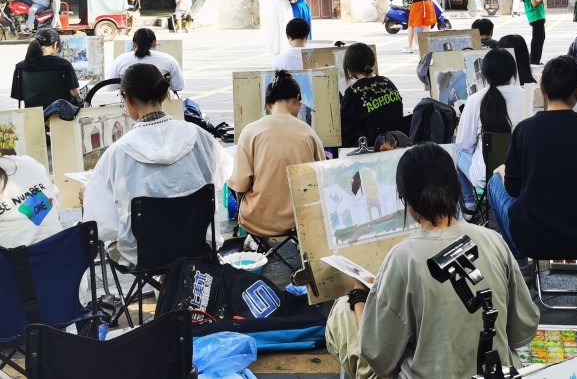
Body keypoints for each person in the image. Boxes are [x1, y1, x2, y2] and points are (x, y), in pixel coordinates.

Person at [325, 143, 539, 379]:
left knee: (343, 312)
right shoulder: (493, 240)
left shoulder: (402, 258)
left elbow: (378, 356)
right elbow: (524, 329)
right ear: (456, 188)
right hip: (496, 372)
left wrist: (358, 296)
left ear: (406, 200)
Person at [487, 56, 577, 285]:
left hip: (533, 239)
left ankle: (522, 265)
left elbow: (512, 188)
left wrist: (502, 171)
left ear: (542, 89)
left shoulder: (524, 131)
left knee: (493, 183)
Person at [83, 64, 231, 267]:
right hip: (198, 244)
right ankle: (174, 278)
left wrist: (87, 195)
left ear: (127, 99)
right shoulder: (198, 135)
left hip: (143, 255)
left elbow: (101, 224)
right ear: (163, 95)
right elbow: (222, 173)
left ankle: (166, 279)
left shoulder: (117, 152)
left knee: (114, 231)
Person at [228, 71, 325, 236]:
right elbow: (322, 178)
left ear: (268, 105)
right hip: (302, 220)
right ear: (297, 99)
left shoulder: (250, 132)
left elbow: (240, 183)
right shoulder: (308, 133)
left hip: (257, 220)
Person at [456, 49, 523, 213]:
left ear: (484, 73)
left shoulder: (475, 99)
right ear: (513, 71)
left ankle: (469, 204)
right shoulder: (525, 96)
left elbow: (464, 144)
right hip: (522, 174)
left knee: (456, 146)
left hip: (486, 177)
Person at [340, 43, 405, 148]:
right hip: (397, 143)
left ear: (349, 68)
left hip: (370, 150)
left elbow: (345, 133)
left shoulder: (353, 92)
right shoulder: (387, 82)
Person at [0, 147, 63, 248]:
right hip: (59, 251)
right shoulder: (30, 163)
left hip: (19, 257)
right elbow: (56, 209)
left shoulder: (29, 164)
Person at [10, 28, 80, 104]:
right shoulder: (64, 65)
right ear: (55, 44)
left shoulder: (20, 66)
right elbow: (75, 93)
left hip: (33, 110)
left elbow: (18, 95)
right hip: (59, 110)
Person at [108, 28, 185, 92]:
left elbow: (111, 87)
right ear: (154, 43)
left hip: (128, 104)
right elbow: (178, 86)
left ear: (134, 44)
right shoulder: (168, 60)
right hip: (160, 103)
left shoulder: (120, 60)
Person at [521, 0, 550, 64]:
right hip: (536, 16)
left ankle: (534, 59)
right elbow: (534, 3)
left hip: (537, 16)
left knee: (539, 38)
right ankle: (534, 60)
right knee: (538, 39)